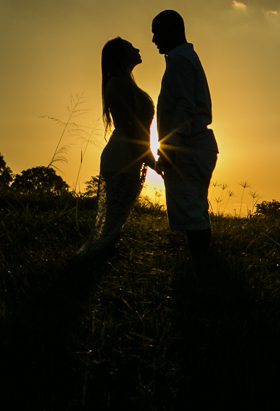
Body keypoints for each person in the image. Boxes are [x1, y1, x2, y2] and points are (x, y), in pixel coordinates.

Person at [78, 38, 158, 257]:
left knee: (118, 215)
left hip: (130, 154)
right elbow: (132, 126)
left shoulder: (125, 83)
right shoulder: (118, 84)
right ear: (121, 55)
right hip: (123, 155)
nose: (138, 49)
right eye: (131, 47)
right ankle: (99, 258)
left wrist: (147, 156)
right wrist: (149, 159)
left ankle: (103, 257)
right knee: (114, 217)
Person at [151, 9, 218, 261]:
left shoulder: (180, 61)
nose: (154, 39)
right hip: (196, 146)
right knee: (195, 210)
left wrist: (170, 150)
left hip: (189, 148)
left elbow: (184, 107)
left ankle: (200, 268)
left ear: (171, 31)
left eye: (157, 33)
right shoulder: (185, 58)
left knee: (191, 214)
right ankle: (202, 267)